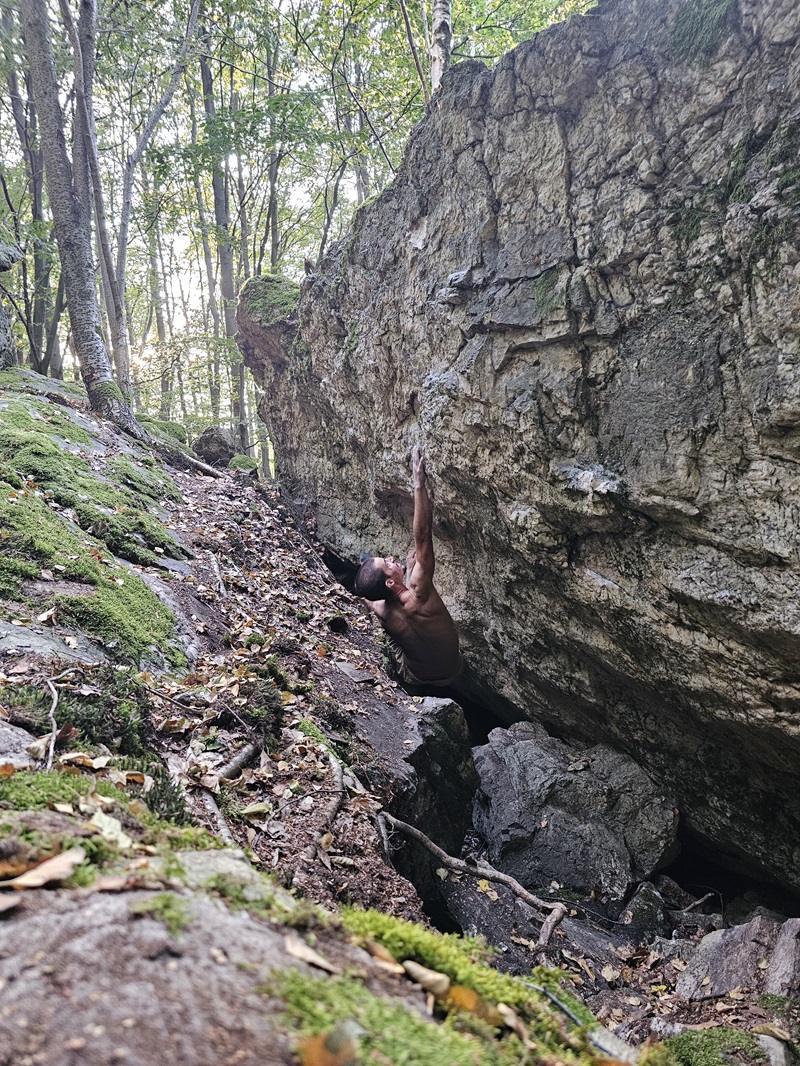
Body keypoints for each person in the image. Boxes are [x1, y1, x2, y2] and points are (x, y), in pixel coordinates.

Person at [354, 446, 461, 687]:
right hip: (452, 672)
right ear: (390, 582)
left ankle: (366, 572)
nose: (391, 557)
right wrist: (418, 484)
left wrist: (405, 571)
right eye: (388, 562)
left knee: (377, 603)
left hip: (414, 676)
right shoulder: (420, 592)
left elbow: (370, 599)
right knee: (412, 567)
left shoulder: (381, 610)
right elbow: (423, 537)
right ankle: (370, 571)